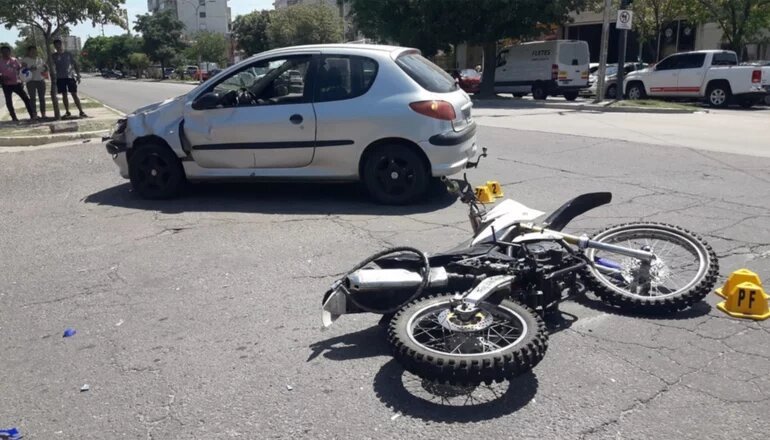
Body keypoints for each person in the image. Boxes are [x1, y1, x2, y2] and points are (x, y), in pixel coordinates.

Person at [52, 38, 87, 118]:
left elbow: (75, 64)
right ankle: (67, 111)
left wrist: (78, 75)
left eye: (59, 45)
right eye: (56, 45)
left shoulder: (68, 54)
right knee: (64, 95)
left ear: (61, 44)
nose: (58, 47)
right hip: (60, 77)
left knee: (74, 94)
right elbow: (49, 65)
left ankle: (81, 111)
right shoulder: (54, 56)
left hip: (70, 76)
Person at [0, 45, 35, 122]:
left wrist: (26, 72)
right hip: (6, 85)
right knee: (9, 102)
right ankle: (14, 118)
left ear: (10, 52)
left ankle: (32, 115)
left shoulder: (14, 60)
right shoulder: (0, 62)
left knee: (26, 99)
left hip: (17, 83)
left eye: (7, 51)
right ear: (1, 53)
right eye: (3, 52)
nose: (6, 53)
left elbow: (20, 70)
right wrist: (2, 77)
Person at [20, 45, 47, 119]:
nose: (33, 52)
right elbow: (22, 70)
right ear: (28, 51)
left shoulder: (40, 59)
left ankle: (43, 114)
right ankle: (34, 115)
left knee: (42, 98)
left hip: (41, 80)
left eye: (35, 50)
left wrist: (45, 69)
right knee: (32, 99)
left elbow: (44, 68)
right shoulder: (25, 60)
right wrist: (29, 69)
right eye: (31, 50)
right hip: (31, 81)